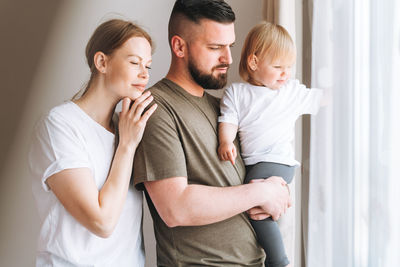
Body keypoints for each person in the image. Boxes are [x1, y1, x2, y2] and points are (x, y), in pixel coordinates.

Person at [133, 1, 291, 266]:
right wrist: (262, 193)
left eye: (229, 45)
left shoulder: (224, 110)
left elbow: (256, 177)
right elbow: (175, 208)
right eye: (215, 47)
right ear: (179, 46)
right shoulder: (156, 109)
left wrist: (279, 192)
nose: (228, 58)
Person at [29, 19, 157, 266]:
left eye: (148, 66)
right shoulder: (60, 124)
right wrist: (127, 146)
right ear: (102, 62)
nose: (145, 74)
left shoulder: (128, 126)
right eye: (134, 62)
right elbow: (102, 222)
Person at [217, 21, 323, 267]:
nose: (285, 74)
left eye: (289, 68)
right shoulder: (237, 93)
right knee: (258, 207)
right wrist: (225, 140)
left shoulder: (289, 92)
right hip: (257, 162)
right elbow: (229, 119)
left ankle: (278, 260)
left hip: (279, 161)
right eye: (278, 67)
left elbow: (320, 98)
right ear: (254, 62)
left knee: (251, 198)